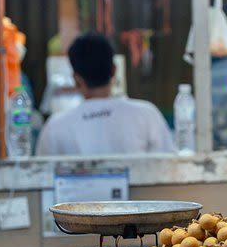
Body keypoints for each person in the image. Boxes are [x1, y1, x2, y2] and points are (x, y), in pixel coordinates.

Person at [36, 33, 175, 156]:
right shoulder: (146, 115)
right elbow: (171, 170)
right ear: (114, 70)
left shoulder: (56, 127)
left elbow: (39, 177)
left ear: (76, 79)